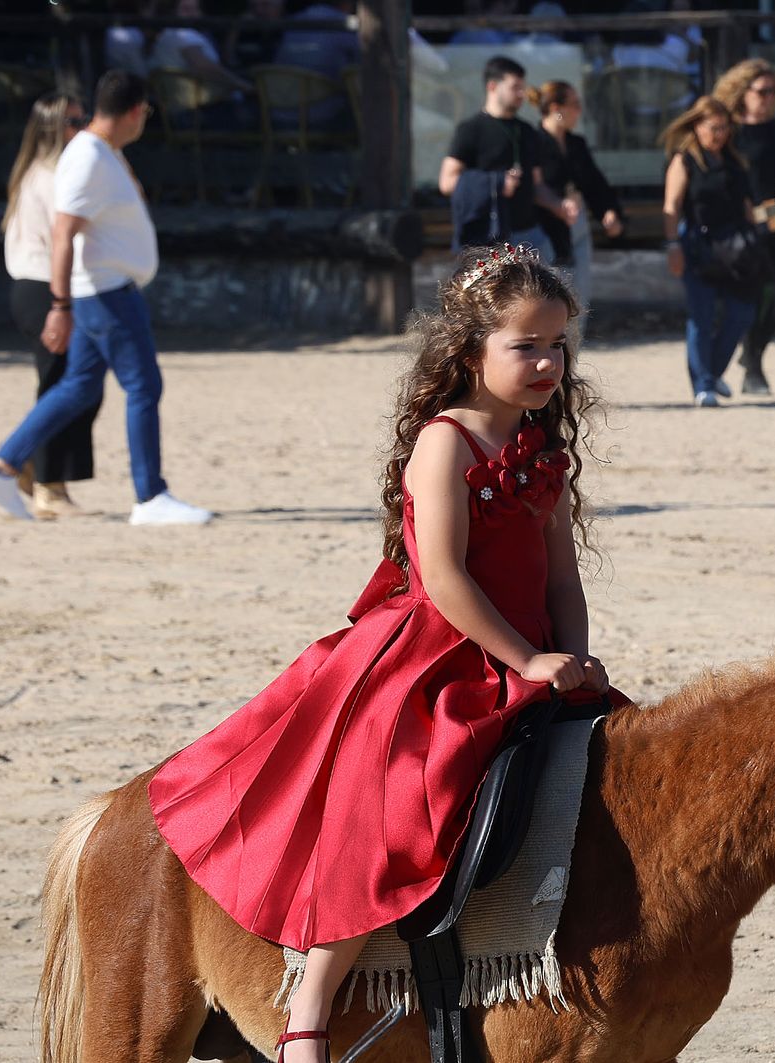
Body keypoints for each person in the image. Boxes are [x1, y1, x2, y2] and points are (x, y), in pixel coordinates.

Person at [146, 245, 616, 1063]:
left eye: (557, 344)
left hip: (528, 651)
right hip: (437, 652)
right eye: (525, 345)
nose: (547, 361)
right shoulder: (449, 442)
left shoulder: (545, 450)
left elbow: (565, 583)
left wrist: (571, 660)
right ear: (471, 351)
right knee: (396, 799)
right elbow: (442, 576)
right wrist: (522, 661)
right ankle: (312, 1008)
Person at [0, 70, 212, 527]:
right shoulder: (88, 157)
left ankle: (3, 467)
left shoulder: (103, 153)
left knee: (77, 387)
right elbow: (64, 234)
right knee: (143, 386)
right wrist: (60, 305)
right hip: (105, 290)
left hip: (104, 288)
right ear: (137, 112)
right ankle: (149, 495)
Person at [1, 91, 100, 520]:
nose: (83, 129)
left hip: (37, 286)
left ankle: (34, 468)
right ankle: (46, 482)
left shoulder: (35, 173)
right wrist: (64, 302)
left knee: (71, 386)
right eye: (74, 123)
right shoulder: (52, 176)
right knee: (63, 387)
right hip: (46, 287)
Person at [661, 96, 759, 408]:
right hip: (696, 244)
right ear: (697, 126)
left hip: (734, 246)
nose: (719, 134)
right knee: (701, 315)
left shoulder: (733, 161)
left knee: (741, 312)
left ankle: (713, 372)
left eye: (724, 128)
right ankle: (703, 385)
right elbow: (671, 206)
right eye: (713, 128)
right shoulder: (685, 160)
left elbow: (747, 206)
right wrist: (672, 245)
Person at [713, 59, 775, 396]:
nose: (768, 98)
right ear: (743, 91)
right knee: (752, 294)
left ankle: (753, 352)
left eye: (773, 92)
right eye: (762, 91)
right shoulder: (729, 130)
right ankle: (754, 365)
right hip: (744, 222)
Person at [440, 56, 574, 259]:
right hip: (487, 239)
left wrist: (559, 205)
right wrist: (497, 182)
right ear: (493, 86)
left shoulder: (527, 131)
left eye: (523, 87)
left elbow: (537, 185)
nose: (522, 94)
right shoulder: (471, 130)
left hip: (530, 235)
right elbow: (447, 182)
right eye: (515, 87)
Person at [529, 80, 625, 303]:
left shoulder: (576, 143)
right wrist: (557, 206)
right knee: (550, 295)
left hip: (578, 225)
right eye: (574, 104)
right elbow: (533, 188)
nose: (579, 111)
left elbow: (595, 183)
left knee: (579, 298)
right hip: (546, 229)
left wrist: (608, 212)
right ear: (556, 109)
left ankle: (576, 339)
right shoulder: (533, 142)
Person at [150, 0, 254, 128]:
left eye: (195, 9)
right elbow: (203, 67)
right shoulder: (183, 35)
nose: (192, 14)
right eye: (186, 9)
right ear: (173, 12)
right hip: (199, 111)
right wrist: (241, 85)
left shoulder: (166, 36)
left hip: (180, 110)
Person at [270, 0, 359, 128]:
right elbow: (366, 59)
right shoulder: (344, 24)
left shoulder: (292, 22)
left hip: (277, 113)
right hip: (320, 115)